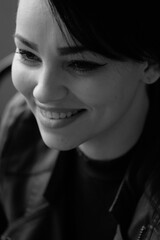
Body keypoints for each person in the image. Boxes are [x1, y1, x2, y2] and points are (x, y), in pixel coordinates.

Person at [1, 0, 160, 239]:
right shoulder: (20, 126)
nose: (42, 92)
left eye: (80, 64)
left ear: (151, 64)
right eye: (27, 53)